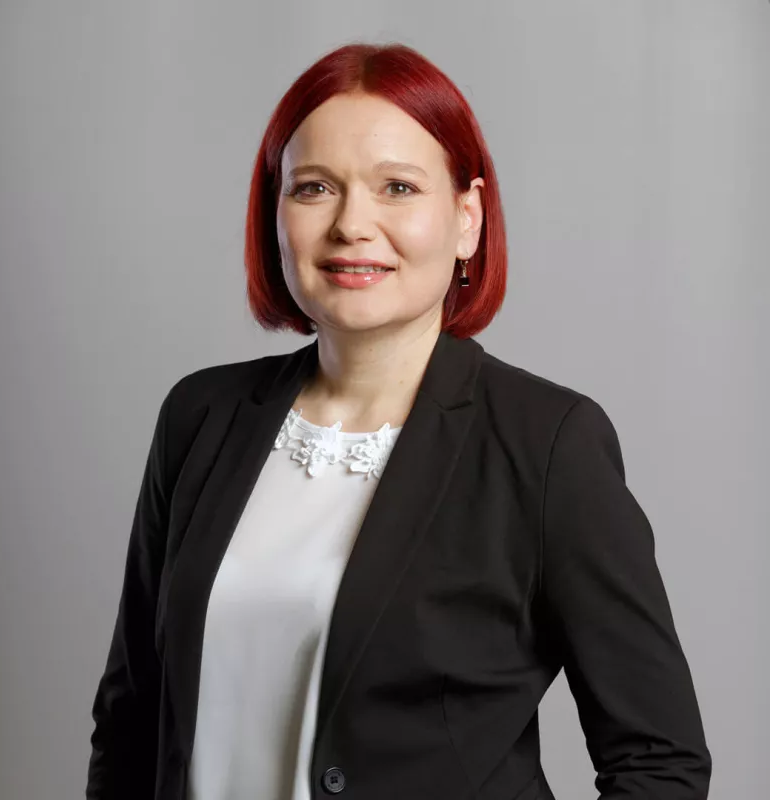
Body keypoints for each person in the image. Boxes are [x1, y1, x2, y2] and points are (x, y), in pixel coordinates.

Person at [86, 42, 711, 800]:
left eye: (398, 187)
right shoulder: (200, 417)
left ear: (467, 219)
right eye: (315, 187)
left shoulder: (547, 444)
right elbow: (130, 722)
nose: (353, 224)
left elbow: (659, 759)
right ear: (275, 212)